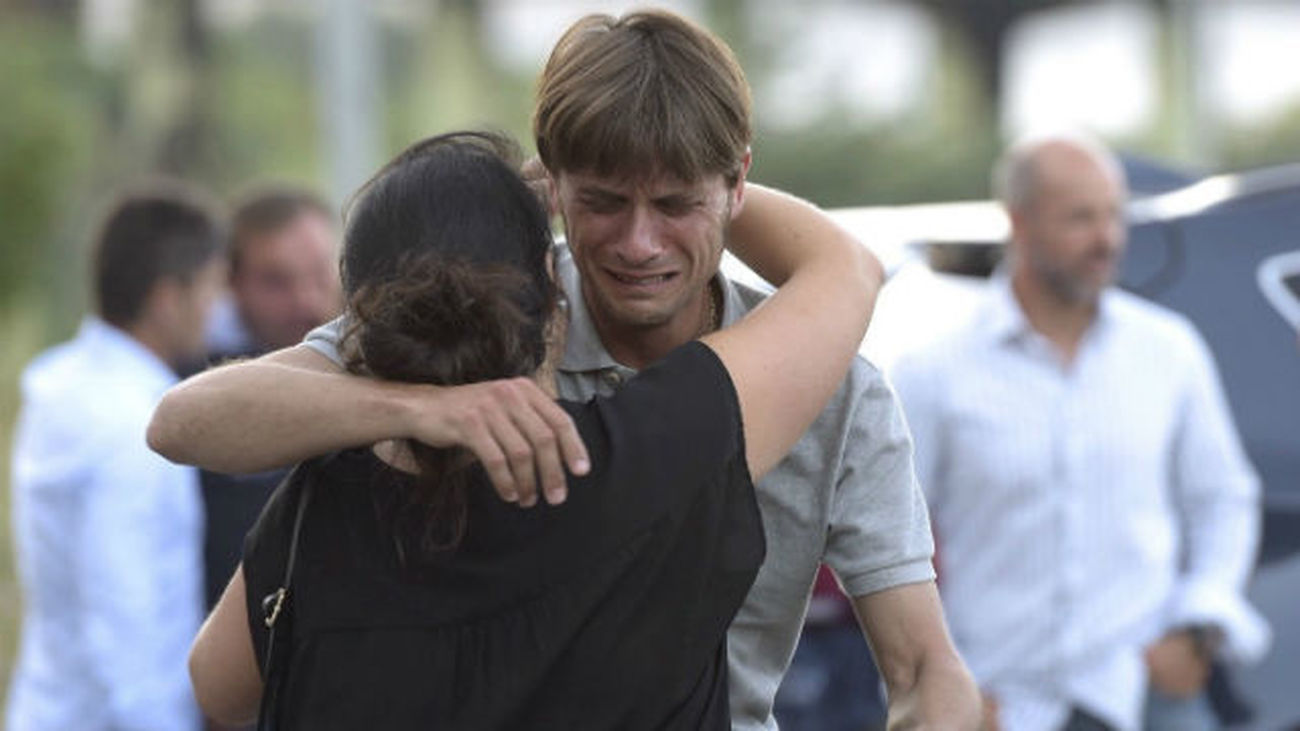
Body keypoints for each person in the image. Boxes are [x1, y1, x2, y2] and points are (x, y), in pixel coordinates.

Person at [150, 9, 980, 728]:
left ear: (738, 182)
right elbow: (188, 418)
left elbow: (924, 671)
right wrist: (426, 406)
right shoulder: (481, 317)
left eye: (676, 203)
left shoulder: (831, 386)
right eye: (605, 200)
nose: (639, 242)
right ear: (552, 186)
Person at [187, 129, 877, 727]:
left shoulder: (321, 506)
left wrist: (404, 405)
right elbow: (846, 267)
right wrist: (662, 184)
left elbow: (219, 685)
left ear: (359, 323)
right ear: (553, 293)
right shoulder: (656, 458)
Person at [891, 133, 1271, 731]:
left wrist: (1199, 624)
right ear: (1019, 222)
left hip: (1147, 696)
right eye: (1081, 218)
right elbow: (889, 544)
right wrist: (942, 678)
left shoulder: (1168, 350)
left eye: (1114, 215)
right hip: (999, 704)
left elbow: (1223, 500)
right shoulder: (934, 370)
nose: (1108, 240)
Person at [7, 183, 227, 730]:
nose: (215, 310)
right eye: (209, 289)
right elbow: (124, 618)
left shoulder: (65, 386)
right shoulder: (138, 426)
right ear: (166, 298)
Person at [196, 186, 341, 610]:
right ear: (230, 282)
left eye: (319, 274)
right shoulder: (191, 377)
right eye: (277, 282)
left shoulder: (373, 354)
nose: (307, 301)